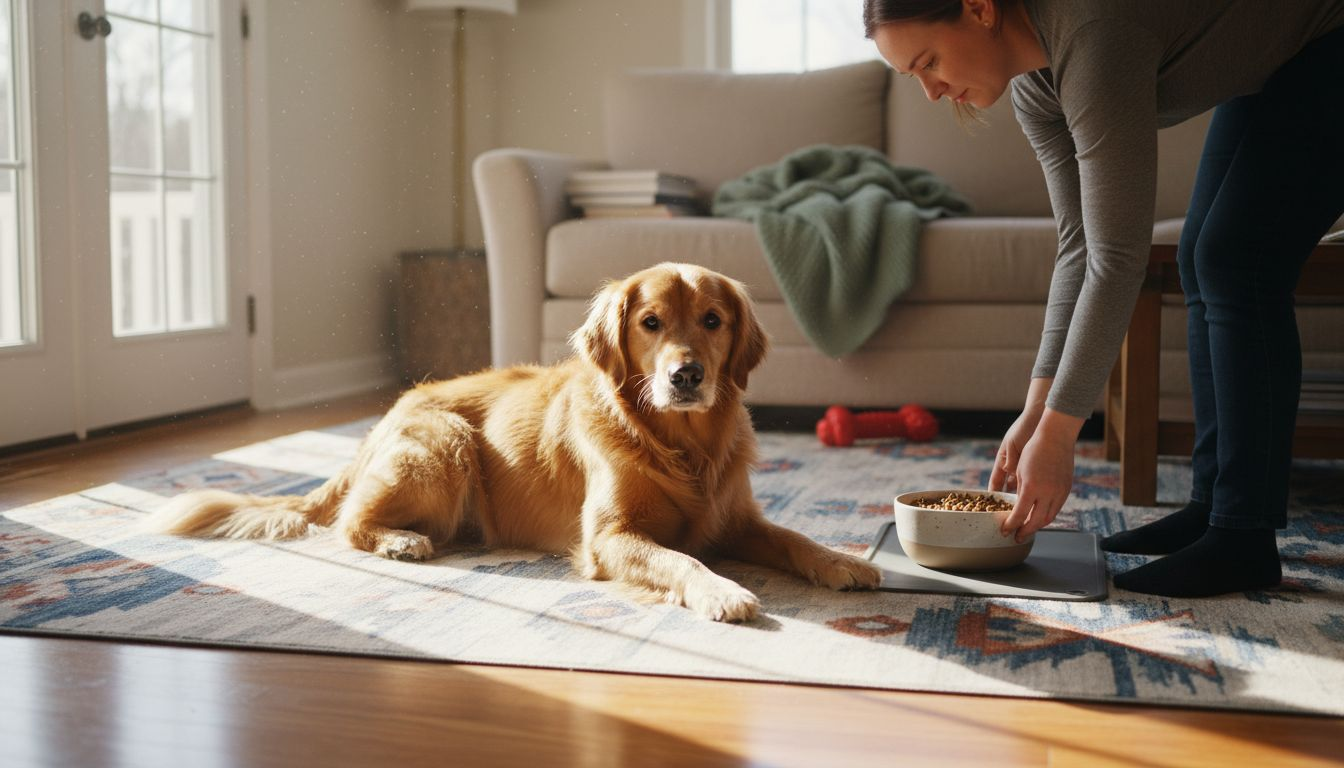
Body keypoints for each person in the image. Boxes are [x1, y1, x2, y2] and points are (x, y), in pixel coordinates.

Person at [864, 0, 1344, 597]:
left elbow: (1118, 258)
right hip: (1280, 60)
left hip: (1329, 40)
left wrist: (1061, 435)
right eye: (914, 76)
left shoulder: (1093, 40)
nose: (931, 93)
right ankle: (1213, 507)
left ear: (979, 9)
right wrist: (1036, 411)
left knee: (1237, 262)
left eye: (929, 61)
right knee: (1204, 257)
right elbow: (1079, 246)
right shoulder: (1036, 91)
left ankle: (1244, 538)